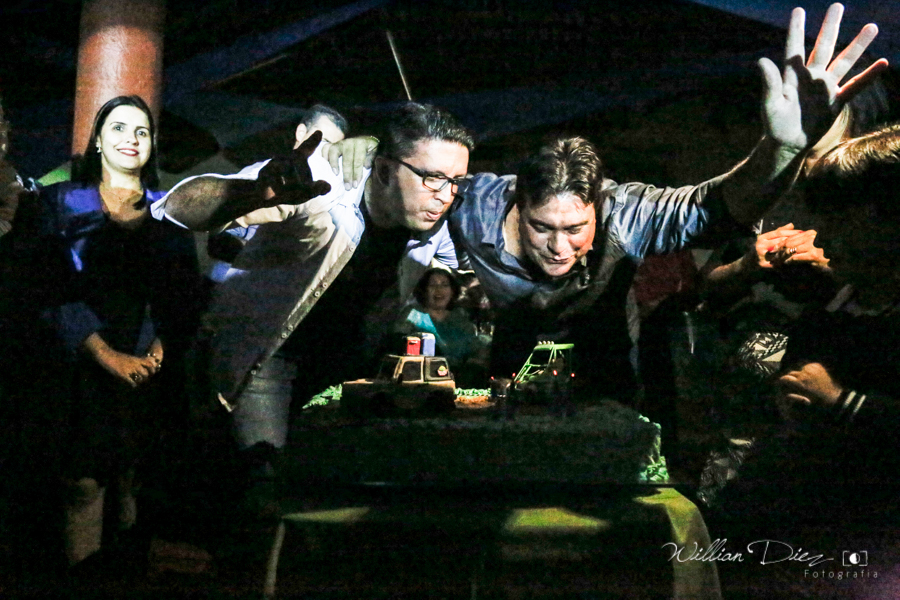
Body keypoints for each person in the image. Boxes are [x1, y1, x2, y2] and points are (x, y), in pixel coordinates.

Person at [333, 5, 888, 404]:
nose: (560, 247)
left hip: (606, 363)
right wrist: (355, 152)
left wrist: (782, 148)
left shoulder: (626, 212)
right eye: (541, 228)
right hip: (510, 358)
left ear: (598, 208)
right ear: (516, 203)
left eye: (576, 228)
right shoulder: (469, 201)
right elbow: (404, 187)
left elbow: (714, 207)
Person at [151, 102, 473, 501]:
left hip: (344, 375)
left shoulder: (434, 224)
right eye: (433, 178)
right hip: (272, 361)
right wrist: (254, 193)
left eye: (456, 181)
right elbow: (176, 208)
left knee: (332, 494)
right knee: (265, 489)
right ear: (385, 170)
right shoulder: (320, 180)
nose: (446, 195)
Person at [0, 95, 202, 569]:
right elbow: (48, 286)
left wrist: (155, 355)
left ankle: (126, 568)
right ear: (96, 140)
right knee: (83, 481)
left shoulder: (170, 210)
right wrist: (105, 355)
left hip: (148, 360)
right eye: (118, 128)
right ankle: (83, 572)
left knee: (134, 475)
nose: (131, 139)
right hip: (78, 360)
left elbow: (182, 294)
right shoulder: (60, 201)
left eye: (142, 131)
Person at [205, 104, 350, 282]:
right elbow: (216, 242)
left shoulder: (322, 192)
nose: (326, 154)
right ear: (301, 133)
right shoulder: (261, 176)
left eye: (333, 150)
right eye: (322, 141)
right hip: (231, 286)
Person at [394, 268, 486, 385]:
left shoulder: (459, 316)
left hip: (462, 379)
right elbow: (397, 345)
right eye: (433, 285)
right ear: (424, 290)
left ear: (452, 291)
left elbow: (474, 346)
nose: (439, 290)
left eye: (445, 285)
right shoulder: (413, 314)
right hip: (422, 380)